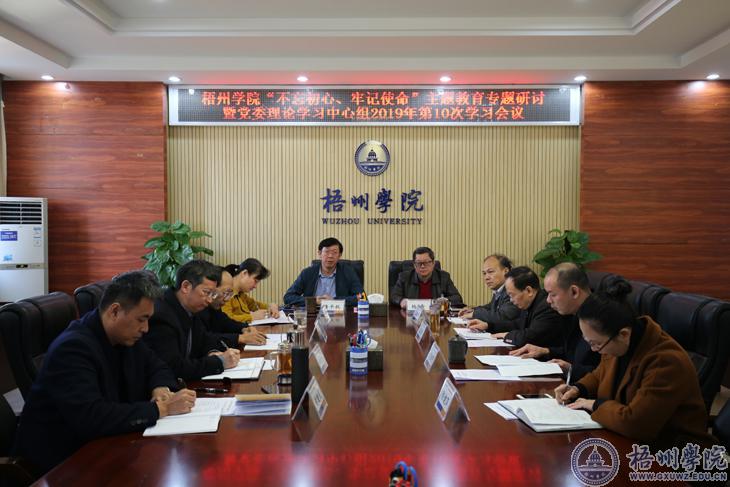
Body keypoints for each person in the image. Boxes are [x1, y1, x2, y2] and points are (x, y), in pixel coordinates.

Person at [13, 271, 196, 474]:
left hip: (105, 448)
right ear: (115, 311)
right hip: (62, 465)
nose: (145, 328)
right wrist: (161, 409)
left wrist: (159, 388)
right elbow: (92, 417)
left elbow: (157, 365)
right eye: (141, 319)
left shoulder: (124, 336)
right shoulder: (73, 348)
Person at [555, 276, 716, 448]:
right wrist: (578, 388)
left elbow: (636, 424)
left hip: (672, 453)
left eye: (596, 344)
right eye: (588, 342)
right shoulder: (617, 341)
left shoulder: (665, 361)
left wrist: (594, 404)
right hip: (627, 440)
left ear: (623, 334)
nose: (593, 349)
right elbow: (600, 374)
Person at [145, 259, 241, 381]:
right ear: (186, 286)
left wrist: (212, 352)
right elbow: (173, 367)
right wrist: (219, 362)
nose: (210, 300)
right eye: (206, 292)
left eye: (213, 294)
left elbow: (203, 340)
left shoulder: (191, 308)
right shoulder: (161, 315)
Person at [509, 263, 600, 382]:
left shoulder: (599, 320)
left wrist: (571, 369)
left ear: (574, 292)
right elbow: (571, 352)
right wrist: (545, 351)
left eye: (553, 294)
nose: (548, 300)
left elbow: (605, 373)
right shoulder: (572, 314)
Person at [473, 266, 569, 348]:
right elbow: (516, 324)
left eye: (512, 295)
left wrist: (506, 335)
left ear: (528, 291)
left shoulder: (547, 306)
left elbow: (530, 337)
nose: (511, 300)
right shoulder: (529, 303)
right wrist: (488, 326)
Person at [283, 237, 363, 306]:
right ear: (320, 254)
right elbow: (288, 297)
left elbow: (362, 297)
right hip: (313, 314)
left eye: (334, 252)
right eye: (327, 252)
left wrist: (334, 301)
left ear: (339, 255)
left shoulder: (349, 273)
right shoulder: (307, 273)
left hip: (339, 313)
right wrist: (314, 301)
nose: (330, 256)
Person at [199, 266, 267, 346]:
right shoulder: (199, 308)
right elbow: (204, 339)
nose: (227, 299)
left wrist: (244, 328)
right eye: (225, 293)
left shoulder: (214, 307)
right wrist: (240, 338)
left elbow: (225, 322)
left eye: (229, 294)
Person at [459, 254, 520, 328]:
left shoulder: (513, 290)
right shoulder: (499, 290)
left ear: (506, 271)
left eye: (490, 272)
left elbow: (502, 316)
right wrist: (473, 310)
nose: (486, 277)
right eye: (484, 273)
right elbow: (490, 307)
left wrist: (475, 314)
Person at [390, 247, 463, 307]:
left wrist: (445, 301)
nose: (422, 266)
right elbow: (394, 296)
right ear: (414, 265)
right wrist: (401, 301)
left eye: (426, 262)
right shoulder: (404, 277)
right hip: (411, 316)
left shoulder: (444, 277)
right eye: (419, 263)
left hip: (435, 316)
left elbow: (457, 298)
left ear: (433, 263)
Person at [222, 259, 280, 323]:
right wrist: (252, 317)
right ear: (244, 273)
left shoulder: (241, 294)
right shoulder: (225, 292)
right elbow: (225, 320)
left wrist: (271, 306)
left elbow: (255, 305)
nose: (255, 286)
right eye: (255, 281)